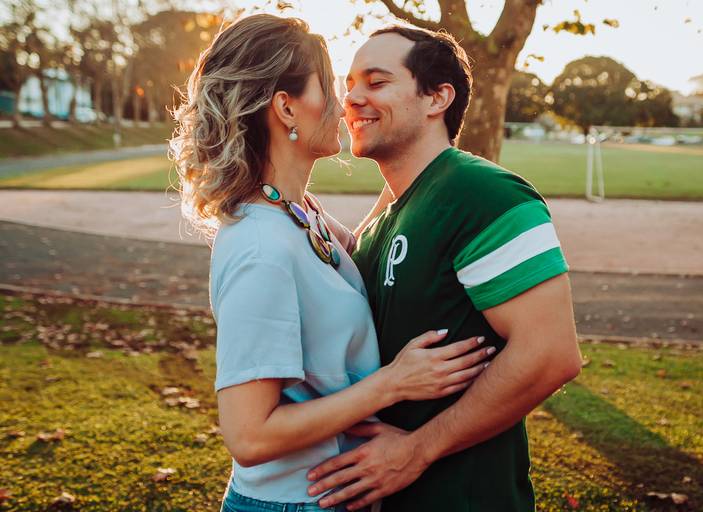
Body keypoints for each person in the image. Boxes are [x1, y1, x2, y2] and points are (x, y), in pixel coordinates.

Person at [169, 14, 492, 512]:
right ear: (286, 108)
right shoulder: (260, 245)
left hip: (335, 494)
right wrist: (394, 383)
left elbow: (364, 247)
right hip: (291, 502)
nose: (344, 108)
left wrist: (421, 152)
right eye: (329, 88)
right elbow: (249, 436)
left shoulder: (300, 211)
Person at [305, 26, 583, 511]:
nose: (351, 97)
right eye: (350, 82)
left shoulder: (483, 194)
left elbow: (551, 354)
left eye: (376, 81)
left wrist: (416, 450)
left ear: (437, 97)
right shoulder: (390, 210)